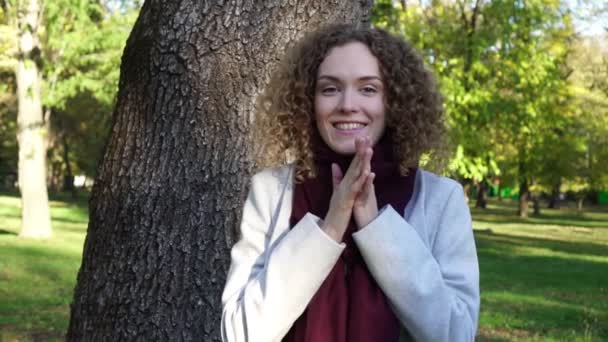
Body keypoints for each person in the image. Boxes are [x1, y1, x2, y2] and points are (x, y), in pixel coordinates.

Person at [221, 24, 479, 342]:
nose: (347, 104)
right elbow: (240, 334)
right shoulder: (270, 191)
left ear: (394, 101)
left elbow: (455, 334)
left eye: (368, 89)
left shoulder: (441, 198)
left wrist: (374, 225)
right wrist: (330, 227)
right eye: (330, 89)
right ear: (307, 100)